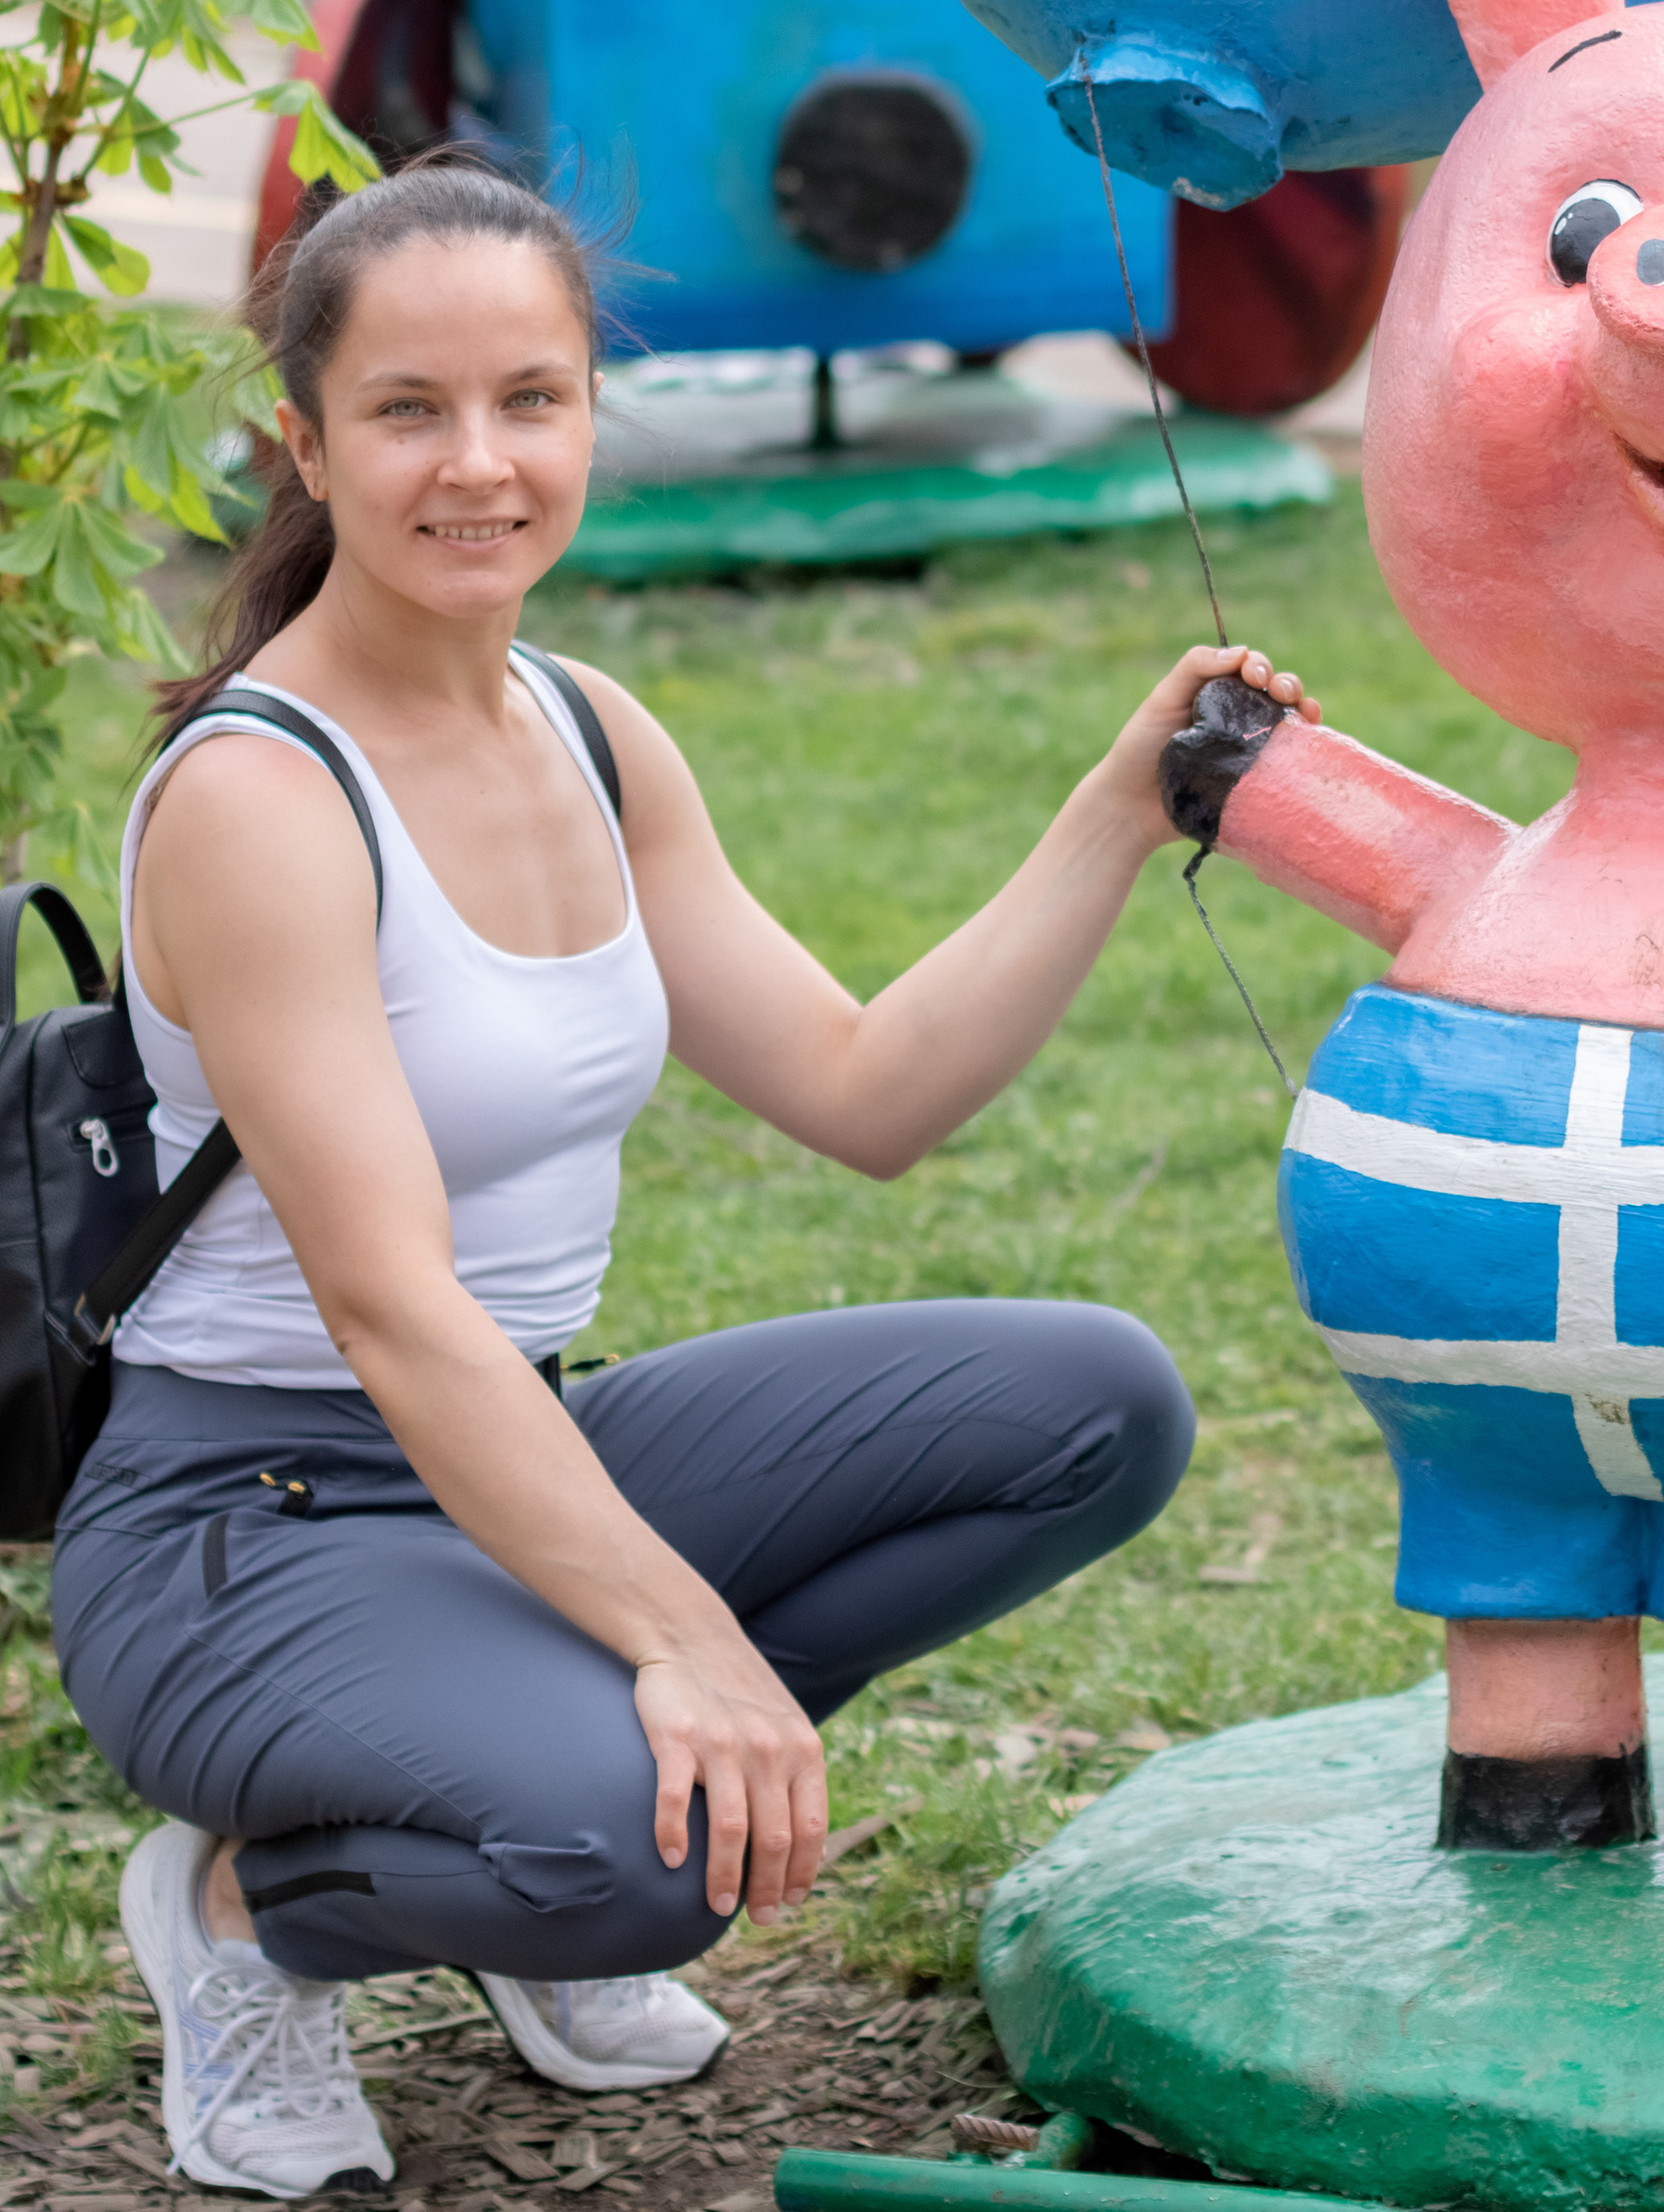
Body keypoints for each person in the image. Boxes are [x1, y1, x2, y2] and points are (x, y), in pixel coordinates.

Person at [53, 154, 1316, 2203]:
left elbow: (864, 1088)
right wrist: (689, 1649)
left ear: (585, 410)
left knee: (1092, 1405)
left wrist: (1118, 801)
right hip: (244, 1521)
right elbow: (387, 1313)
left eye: (530, 400)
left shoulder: (593, 732)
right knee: (645, 1859)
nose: (480, 465)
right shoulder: (260, 803)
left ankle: (545, 1813)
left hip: (511, 1446)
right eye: (407, 411)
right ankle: (248, 1918)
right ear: (301, 436)